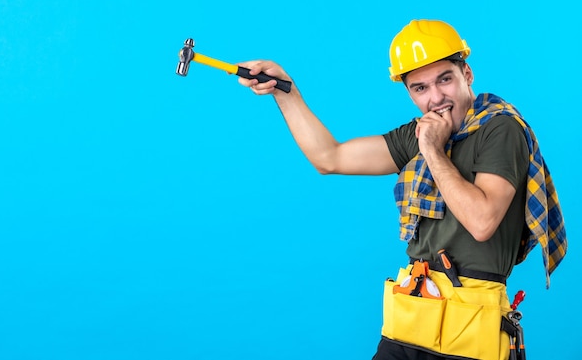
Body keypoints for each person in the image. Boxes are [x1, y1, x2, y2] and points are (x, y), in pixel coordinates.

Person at [236, 19, 567, 360]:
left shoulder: (500, 128)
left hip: (470, 329)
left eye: (445, 79)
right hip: (413, 317)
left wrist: (433, 151)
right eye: (420, 88)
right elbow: (329, 158)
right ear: (408, 92)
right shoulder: (421, 132)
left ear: (466, 73)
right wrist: (286, 92)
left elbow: (482, 222)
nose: (436, 98)